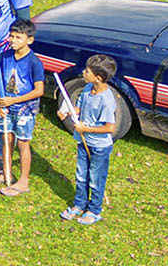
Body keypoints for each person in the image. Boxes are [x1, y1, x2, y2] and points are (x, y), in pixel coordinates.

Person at [0, 16, 45, 196]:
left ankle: (23, 181)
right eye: (11, 36)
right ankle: (6, 174)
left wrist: (13, 100)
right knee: (6, 141)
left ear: (29, 40)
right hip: (6, 108)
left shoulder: (34, 62)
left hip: (24, 109)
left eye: (18, 37)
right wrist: (0, 103)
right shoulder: (4, 56)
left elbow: (39, 90)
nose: (13, 41)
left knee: (22, 143)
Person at [63, 53, 119, 224]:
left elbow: (109, 128)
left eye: (87, 71)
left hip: (99, 147)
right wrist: (67, 111)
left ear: (99, 77)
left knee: (95, 178)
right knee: (81, 175)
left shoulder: (107, 101)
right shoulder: (87, 89)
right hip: (83, 141)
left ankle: (94, 210)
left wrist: (85, 128)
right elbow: (79, 108)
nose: (83, 73)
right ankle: (79, 205)